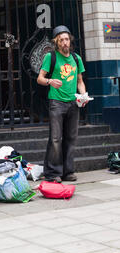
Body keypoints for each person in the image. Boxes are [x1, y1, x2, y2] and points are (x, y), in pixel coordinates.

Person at [37, 25, 88, 183]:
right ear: (56, 42)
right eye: (61, 40)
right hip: (56, 103)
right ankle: (53, 173)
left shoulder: (76, 58)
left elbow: (80, 81)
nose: (64, 42)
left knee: (71, 138)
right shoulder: (50, 57)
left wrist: (83, 95)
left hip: (73, 103)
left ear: (70, 40)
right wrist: (50, 81)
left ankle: (68, 171)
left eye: (66, 39)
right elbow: (40, 78)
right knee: (56, 139)